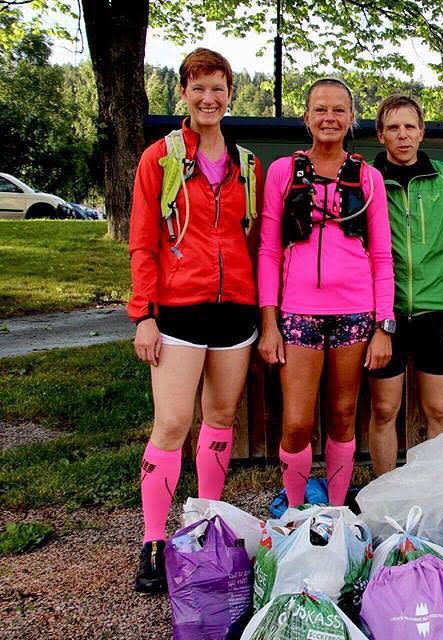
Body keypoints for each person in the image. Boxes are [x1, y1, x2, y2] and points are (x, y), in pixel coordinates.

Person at [128, 48, 264, 593]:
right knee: (171, 423)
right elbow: (142, 241)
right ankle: (155, 542)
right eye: (198, 88)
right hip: (178, 312)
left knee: (221, 418)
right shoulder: (158, 160)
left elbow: (254, 239)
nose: (209, 99)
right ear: (182, 94)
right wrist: (143, 315)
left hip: (235, 310)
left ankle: (206, 521)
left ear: (230, 93)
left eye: (218, 88)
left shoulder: (247, 164)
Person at [258, 78, 394, 509]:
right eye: (321, 109)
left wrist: (383, 325)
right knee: (297, 422)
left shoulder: (367, 178)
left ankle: (335, 512)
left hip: (356, 312)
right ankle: (295, 512)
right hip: (298, 312)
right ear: (307, 117)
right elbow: (268, 250)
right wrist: (268, 323)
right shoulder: (284, 172)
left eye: (339, 110)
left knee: (342, 417)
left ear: (351, 118)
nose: (330, 117)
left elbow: (382, 256)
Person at [367, 95, 443, 475]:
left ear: (422, 131)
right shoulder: (368, 179)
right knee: (384, 410)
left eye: (410, 126)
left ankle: (438, 494)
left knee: (440, 410)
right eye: (393, 128)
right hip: (388, 312)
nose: (402, 135)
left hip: (438, 311)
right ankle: (385, 495)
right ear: (381, 135)